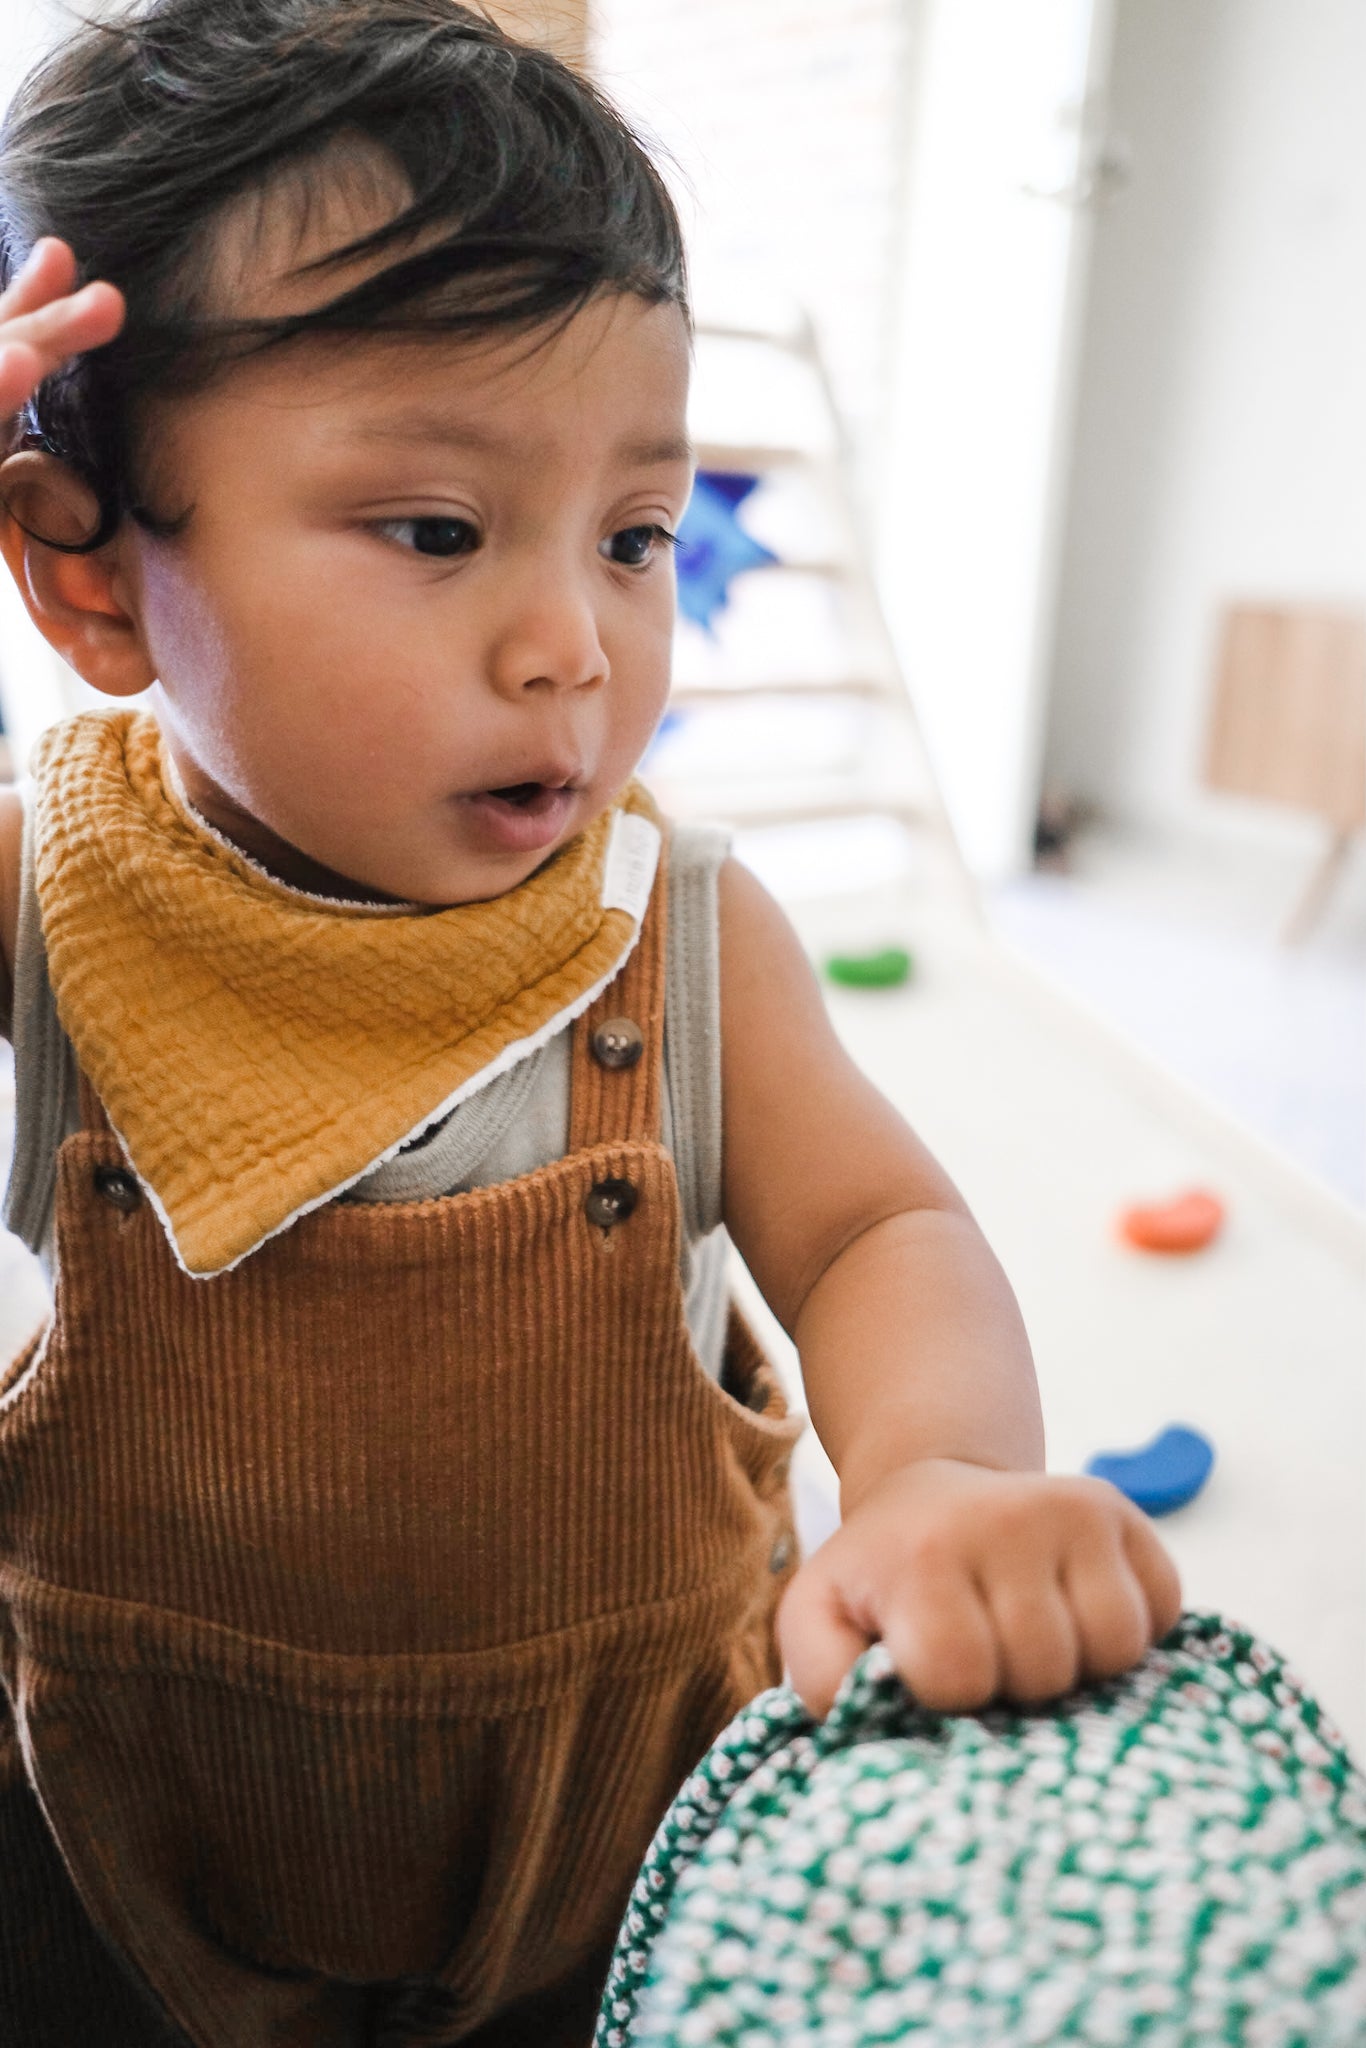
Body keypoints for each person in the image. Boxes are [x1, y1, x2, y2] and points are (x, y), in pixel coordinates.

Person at [0, 2, 1181, 2041]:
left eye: (632, 535)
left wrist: (923, 1478)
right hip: (127, 1844)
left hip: (618, 1854)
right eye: (436, 531)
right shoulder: (39, 895)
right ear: (91, 577)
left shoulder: (680, 932)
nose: (573, 646)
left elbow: (878, 1232)